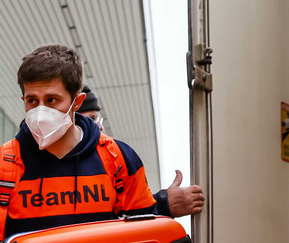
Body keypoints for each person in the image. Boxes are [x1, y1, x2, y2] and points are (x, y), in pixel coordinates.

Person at [0, 45, 158, 243]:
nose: (40, 111)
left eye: (51, 100)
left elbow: (147, 237)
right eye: (32, 101)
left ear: (77, 101)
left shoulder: (119, 161)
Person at [79, 86, 205, 219]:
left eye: (99, 119)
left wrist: (165, 204)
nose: (100, 126)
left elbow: (135, 213)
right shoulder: (54, 161)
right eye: (92, 119)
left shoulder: (121, 155)